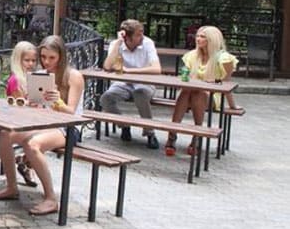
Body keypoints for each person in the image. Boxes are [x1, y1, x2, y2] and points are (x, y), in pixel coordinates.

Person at [0, 35, 84, 215]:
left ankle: (51, 198)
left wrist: (58, 101)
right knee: (3, 134)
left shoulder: (73, 76)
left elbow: (72, 112)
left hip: (68, 127)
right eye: (43, 57)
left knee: (32, 144)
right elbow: (37, 108)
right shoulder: (41, 75)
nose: (46, 62)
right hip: (44, 123)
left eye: (52, 57)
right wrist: (31, 103)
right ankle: (12, 187)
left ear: (61, 56)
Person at [165, 26, 238, 156]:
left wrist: (233, 106)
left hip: (212, 95)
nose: (198, 39)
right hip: (190, 93)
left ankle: (197, 135)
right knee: (187, 91)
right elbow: (186, 77)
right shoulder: (192, 55)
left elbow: (227, 84)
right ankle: (172, 134)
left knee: (199, 92)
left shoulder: (224, 58)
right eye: (197, 36)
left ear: (212, 39)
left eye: (202, 36)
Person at [100, 19, 162, 149]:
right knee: (106, 98)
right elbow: (107, 66)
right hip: (123, 83)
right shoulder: (116, 44)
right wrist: (118, 43)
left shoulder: (147, 43)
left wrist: (130, 71)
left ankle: (150, 132)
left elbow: (157, 69)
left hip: (145, 83)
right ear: (127, 37)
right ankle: (124, 125)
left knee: (140, 94)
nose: (142, 36)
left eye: (142, 33)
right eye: (138, 34)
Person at [3, 41, 39, 187]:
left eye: (33, 60)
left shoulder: (34, 77)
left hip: (33, 118)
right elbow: (18, 105)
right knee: (36, 138)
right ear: (18, 60)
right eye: (27, 60)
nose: (31, 64)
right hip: (18, 121)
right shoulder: (16, 80)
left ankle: (25, 163)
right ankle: (26, 165)